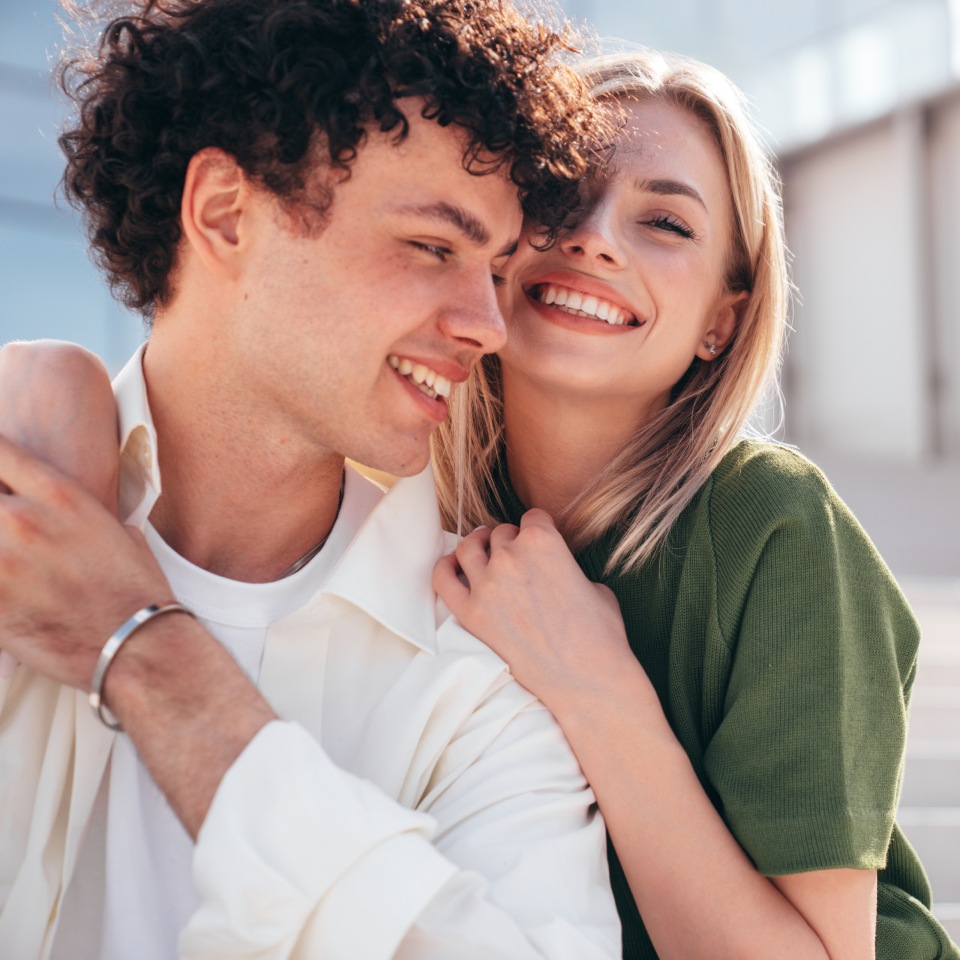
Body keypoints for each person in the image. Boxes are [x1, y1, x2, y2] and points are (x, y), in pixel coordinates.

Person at [0, 1, 623, 958]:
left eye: (495, 270)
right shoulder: (23, 474)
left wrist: (150, 656)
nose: (488, 325)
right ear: (222, 214)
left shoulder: (482, 669)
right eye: (431, 247)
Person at [430, 50, 960, 960]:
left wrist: (595, 684)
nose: (596, 238)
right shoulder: (412, 508)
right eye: (562, 192)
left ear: (723, 318)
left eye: (667, 222)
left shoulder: (774, 528)